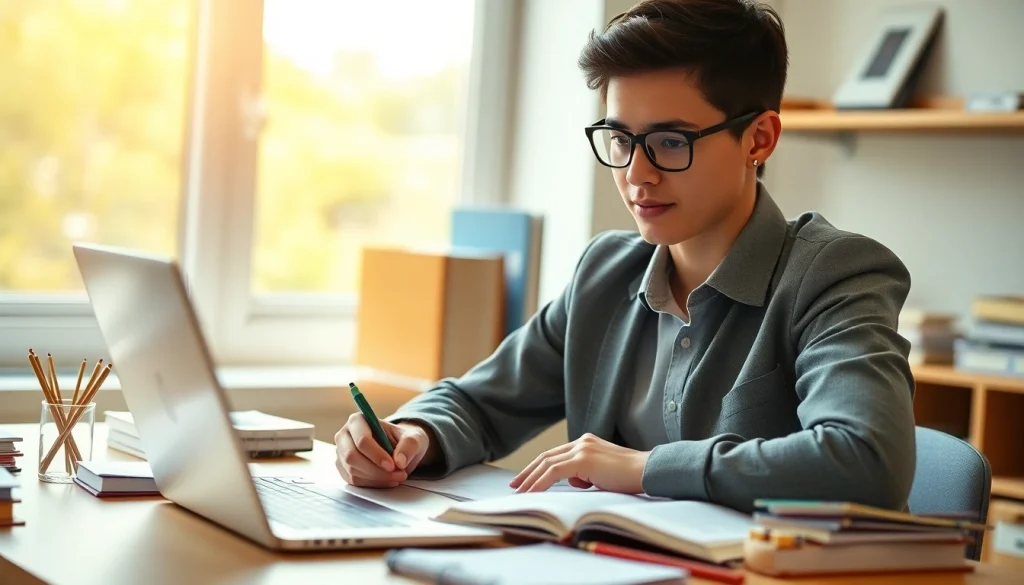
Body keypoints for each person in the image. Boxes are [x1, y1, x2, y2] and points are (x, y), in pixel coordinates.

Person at [334, 0, 916, 513]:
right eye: (619, 139)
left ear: (759, 139)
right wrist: (410, 434)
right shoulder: (606, 273)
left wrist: (643, 469)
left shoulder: (834, 275)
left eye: (671, 141)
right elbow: (480, 403)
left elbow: (866, 461)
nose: (637, 174)